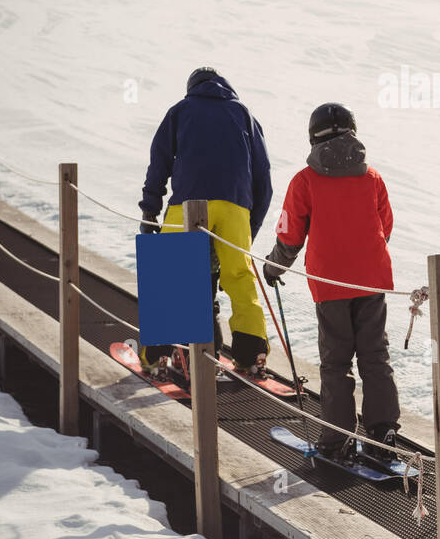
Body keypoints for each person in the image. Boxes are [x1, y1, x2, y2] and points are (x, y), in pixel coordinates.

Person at [263, 103, 400, 464]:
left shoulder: (305, 181)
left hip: (330, 283)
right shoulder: (372, 177)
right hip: (371, 280)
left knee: (336, 361)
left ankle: (337, 438)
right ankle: (382, 430)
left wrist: (274, 268)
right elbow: (384, 226)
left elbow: (290, 235)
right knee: (375, 355)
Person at [138, 67, 273, 372]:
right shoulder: (245, 115)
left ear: (192, 88)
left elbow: (158, 161)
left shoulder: (180, 111)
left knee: (171, 278)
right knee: (239, 278)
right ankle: (252, 356)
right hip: (235, 208)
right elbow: (263, 179)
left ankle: (157, 355)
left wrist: (150, 210)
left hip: (188, 203)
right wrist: (249, 227)